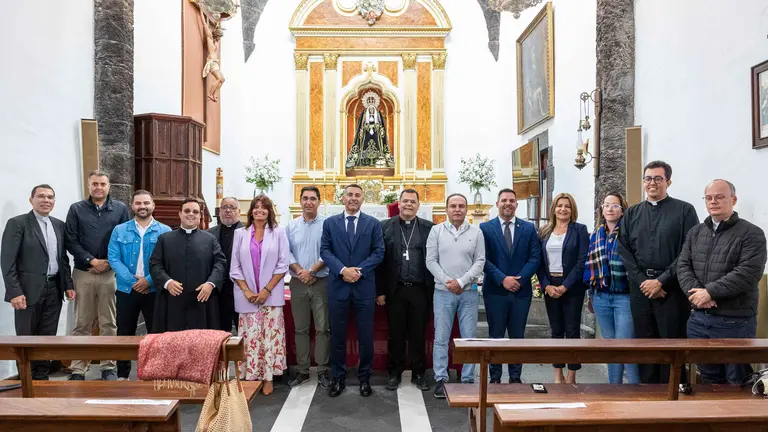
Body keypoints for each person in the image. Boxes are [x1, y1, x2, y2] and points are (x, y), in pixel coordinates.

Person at [678, 179, 767, 384]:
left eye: (720, 197)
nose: (713, 202)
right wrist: (698, 295)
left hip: (734, 321)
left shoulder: (751, 233)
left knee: (738, 380)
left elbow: (748, 272)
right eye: (709, 198)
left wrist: (709, 292)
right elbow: (683, 266)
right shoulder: (696, 232)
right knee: (708, 380)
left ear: (733, 200)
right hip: (700, 319)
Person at [618, 160, 699, 384]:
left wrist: (661, 281)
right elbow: (624, 250)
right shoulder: (632, 213)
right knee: (645, 344)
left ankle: (674, 396)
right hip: (641, 289)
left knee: (672, 345)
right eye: (648, 178)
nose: (652, 183)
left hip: (672, 289)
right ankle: (648, 396)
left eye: (657, 178)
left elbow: (688, 250)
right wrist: (645, 281)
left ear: (668, 182)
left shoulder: (684, 210)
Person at [1, 184, 75, 380]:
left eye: (50, 197)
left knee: (47, 335)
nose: (46, 200)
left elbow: (63, 259)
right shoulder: (18, 223)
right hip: (27, 290)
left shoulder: (59, 225)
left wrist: (68, 284)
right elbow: (7, 261)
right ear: (31, 200)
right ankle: (26, 378)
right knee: (26, 336)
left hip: (54, 288)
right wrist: (14, 291)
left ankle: (41, 378)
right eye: (41, 196)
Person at [320, 184, 385, 398]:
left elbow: (379, 252)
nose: (353, 198)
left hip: (364, 287)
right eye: (350, 195)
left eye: (358, 195)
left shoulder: (373, 224)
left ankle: (364, 378)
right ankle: (338, 378)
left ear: (362, 199)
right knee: (337, 336)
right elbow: (325, 251)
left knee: (366, 336)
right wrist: (342, 270)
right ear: (343, 198)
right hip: (338, 287)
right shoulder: (330, 223)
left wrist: (358, 271)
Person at [65, 171, 130, 381]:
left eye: (103, 184)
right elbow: (71, 240)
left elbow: (125, 239)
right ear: (89, 185)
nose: (99, 187)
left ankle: (108, 366)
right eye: (95, 184)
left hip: (111, 273)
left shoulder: (120, 209)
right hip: (84, 272)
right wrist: (92, 261)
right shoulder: (76, 209)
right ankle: (78, 368)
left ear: (109, 186)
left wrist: (108, 262)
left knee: (108, 322)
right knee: (82, 322)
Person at [107, 190, 171, 380]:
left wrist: (148, 280)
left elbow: (167, 261)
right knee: (124, 332)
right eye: (138, 203)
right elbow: (113, 257)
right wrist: (133, 281)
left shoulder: (165, 231)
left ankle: (153, 373)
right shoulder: (120, 230)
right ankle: (122, 375)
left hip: (154, 290)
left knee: (155, 333)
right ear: (132, 206)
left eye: (146, 203)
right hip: (127, 290)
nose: (142, 206)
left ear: (153, 205)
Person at [427, 193, 486, 399]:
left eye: (461, 206)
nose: (457, 209)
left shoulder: (476, 232)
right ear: (447, 209)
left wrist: (461, 282)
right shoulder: (436, 231)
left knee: (469, 338)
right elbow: (431, 261)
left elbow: (480, 261)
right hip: (443, 292)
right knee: (441, 338)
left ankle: (468, 379)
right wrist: (448, 281)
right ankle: (441, 378)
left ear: (466, 209)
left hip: (468, 292)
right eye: (453, 206)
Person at [479, 188, 540, 384]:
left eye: (511, 200)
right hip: (495, 291)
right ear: (497, 204)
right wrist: (502, 279)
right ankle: (494, 378)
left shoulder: (528, 228)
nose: (508, 203)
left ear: (516, 204)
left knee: (517, 336)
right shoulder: (485, 228)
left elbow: (534, 258)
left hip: (520, 292)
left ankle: (515, 378)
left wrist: (519, 280)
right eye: (504, 200)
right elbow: (483, 259)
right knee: (495, 336)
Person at [230, 195, 289, 396]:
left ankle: (268, 377)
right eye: (256, 207)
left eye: (264, 208)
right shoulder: (240, 234)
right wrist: (247, 290)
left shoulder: (279, 233)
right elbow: (234, 266)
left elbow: (283, 264)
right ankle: (250, 375)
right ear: (251, 211)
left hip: (270, 295)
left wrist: (266, 290)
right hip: (247, 295)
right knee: (250, 337)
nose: (260, 210)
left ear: (270, 211)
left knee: (269, 338)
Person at [376, 188, 435, 391]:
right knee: (396, 333)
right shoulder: (384, 227)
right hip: (395, 290)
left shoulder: (430, 228)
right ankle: (394, 372)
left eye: (412, 202)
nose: (408, 205)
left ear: (418, 206)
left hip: (420, 289)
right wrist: (380, 291)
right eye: (405, 201)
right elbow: (380, 262)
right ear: (398, 204)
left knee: (419, 333)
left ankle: (419, 373)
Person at [584, 192, 639, 384]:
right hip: (601, 296)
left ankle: (635, 390)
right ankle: (613, 388)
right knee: (610, 345)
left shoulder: (629, 232)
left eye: (614, 205)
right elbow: (590, 267)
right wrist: (590, 295)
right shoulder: (596, 234)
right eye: (606, 205)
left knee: (625, 345)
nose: (609, 209)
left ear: (622, 210)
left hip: (624, 296)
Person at [149, 198, 227, 332]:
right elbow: (155, 264)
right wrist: (167, 282)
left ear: (200, 216)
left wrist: (211, 284)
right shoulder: (165, 239)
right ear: (180, 214)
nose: (191, 214)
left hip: (202, 300)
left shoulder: (209, 239)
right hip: (172, 301)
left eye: (195, 212)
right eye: (187, 211)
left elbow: (220, 263)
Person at [537, 193, 589, 384]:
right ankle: (558, 374)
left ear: (572, 209)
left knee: (572, 331)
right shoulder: (544, 231)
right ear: (554, 209)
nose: (563, 209)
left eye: (567, 206)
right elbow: (539, 263)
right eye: (559, 206)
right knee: (556, 331)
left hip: (572, 288)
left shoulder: (580, 230)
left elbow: (581, 261)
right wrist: (546, 285)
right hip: (551, 286)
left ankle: (572, 376)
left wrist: (565, 286)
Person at [286, 186, 332, 389]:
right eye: (305, 198)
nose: (308, 202)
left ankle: (323, 370)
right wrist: (301, 272)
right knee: (301, 328)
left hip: (321, 281)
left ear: (319, 202)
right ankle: (303, 370)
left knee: (323, 328)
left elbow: (330, 251)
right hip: (298, 283)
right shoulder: (290, 226)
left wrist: (311, 271)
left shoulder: (328, 225)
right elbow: (285, 253)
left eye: (313, 198)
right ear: (300, 201)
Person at [208, 197, 244, 332]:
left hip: (239, 288)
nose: (228, 211)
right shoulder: (209, 234)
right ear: (219, 211)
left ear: (239, 211)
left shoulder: (247, 233)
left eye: (232, 208)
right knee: (219, 332)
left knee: (242, 331)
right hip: (217, 291)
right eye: (224, 207)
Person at [345, 91, 394, 168]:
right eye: (369, 101)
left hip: (376, 133)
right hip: (366, 134)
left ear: (374, 102)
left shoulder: (378, 113)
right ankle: (363, 161)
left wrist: (376, 127)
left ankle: (380, 159)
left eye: (372, 101)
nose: (371, 103)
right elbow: (361, 124)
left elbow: (381, 125)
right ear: (367, 102)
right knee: (364, 145)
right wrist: (366, 127)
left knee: (378, 144)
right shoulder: (364, 113)